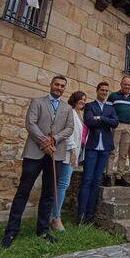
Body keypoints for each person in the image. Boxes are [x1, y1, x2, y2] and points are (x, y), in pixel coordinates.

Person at [1, 75, 74, 248]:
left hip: (55, 154)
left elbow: (69, 128)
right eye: (57, 84)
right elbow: (30, 123)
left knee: (48, 193)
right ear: (51, 85)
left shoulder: (67, 108)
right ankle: (11, 232)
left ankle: (42, 230)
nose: (59, 88)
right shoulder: (37, 102)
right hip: (34, 153)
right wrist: (44, 141)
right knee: (23, 191)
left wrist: (54, 139)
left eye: (62, 86)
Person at [77, 82, 119, 225]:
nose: (104, 92)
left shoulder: (110, 107)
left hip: (105, 148)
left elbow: (115, 123)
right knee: (87, 180)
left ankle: (90, 216)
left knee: (97, 181)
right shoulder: (90, 106)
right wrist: (103, 120)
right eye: (102, 90)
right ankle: (81, 216)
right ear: (97, 90)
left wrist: (100, 118)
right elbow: (89, 121)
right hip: (92, 147)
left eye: (106, 91)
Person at [50, 90, 87, 232]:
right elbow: (68, 131)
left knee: (62, 184)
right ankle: (56, 217)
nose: (82, 101)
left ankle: (53, 215)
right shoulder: (70, 112)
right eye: (80, 99)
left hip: (75, 152)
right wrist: (72, 150)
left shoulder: (80, 114)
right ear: (74, 99)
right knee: (63, 184)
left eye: (84, 99)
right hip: (67, 152)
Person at [104, 76, 130, 187]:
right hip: (116, 125)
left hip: (128, 127)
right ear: (121, 84)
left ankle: (119, 176)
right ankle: (108, 175)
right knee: (112, 151)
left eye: (129, 85)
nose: (127, 86)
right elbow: (107, 110)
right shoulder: (113, 96)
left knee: (124, 153)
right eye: (125, 84)